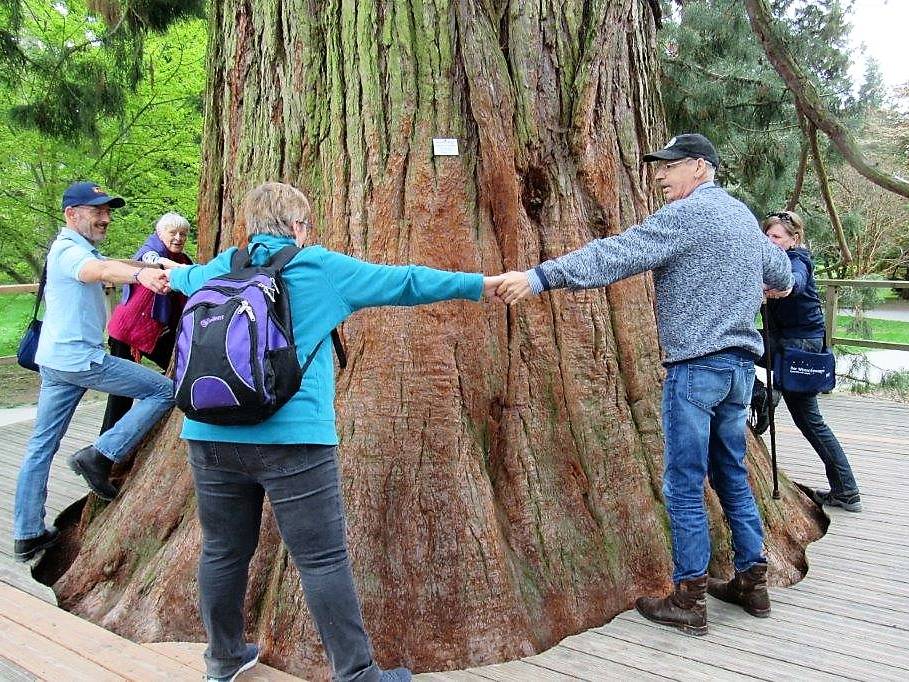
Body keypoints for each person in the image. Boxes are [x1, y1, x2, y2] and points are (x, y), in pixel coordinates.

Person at [165, 182, 505, 682]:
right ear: (299, 227)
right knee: (322, 558)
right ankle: (357, 673)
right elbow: (405, 282)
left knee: (222, 549)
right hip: (293, 441)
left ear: (253, 225)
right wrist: (480, 284)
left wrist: (159, 273)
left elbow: (182, 278)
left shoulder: (220, 268)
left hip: (208, 434)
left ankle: (223, 659)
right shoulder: (316, 266)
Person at [495, 134, 793, 635]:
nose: (658, 175)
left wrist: (541, 276)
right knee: (731, 475)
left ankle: (689, 598)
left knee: (683, 483)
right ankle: (752, 582)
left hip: (697, 369)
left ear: (700, 167)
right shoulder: (742, 216)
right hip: (740, 372)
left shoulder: (689, 215)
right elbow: (782, 275)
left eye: (670, 166)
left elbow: (620, 253)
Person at [12, 181, 176, 563]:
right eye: (97, 211)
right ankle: (100, 455)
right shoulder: (71, 252)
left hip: (56, 362)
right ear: (73, 215)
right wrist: (140, 277)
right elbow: (98, 270)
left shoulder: (76, 248)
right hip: (82, 362)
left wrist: (158, 264)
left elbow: (109, 263)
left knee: (40, 446)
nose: (105, 218)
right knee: (164, 391)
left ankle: (27, 533)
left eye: (107, 211)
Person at [756, 210, 861, 512]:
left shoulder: (797, 260)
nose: (770, 241)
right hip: (789, 342)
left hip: (801, 347)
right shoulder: (774, 259)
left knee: (810, 420)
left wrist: (781, 286)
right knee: (809, 421)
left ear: (794, 239)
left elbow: (797, 281)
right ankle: (762, 394)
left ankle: (847, 491)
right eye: (767, 236)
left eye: (776, 237)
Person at [100, 212, 193, 434]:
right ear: (160, 234)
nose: (178, 238)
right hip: (128, 331)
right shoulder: (151, 251)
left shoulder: (183, 259)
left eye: (183, 234)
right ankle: (105, 447)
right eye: (173, 233)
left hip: (155, 331)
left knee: (182, 369)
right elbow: (153, 262)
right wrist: (178, 269)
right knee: (121, 393)